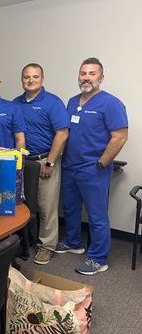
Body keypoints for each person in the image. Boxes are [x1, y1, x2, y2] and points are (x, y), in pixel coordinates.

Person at [56, 57, 128, 275]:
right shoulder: (71, 101)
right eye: (83, 73)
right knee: (70, 208)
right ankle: (74, 242)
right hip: (69, 166)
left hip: (93, 169)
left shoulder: (111, 103)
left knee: (97, 216)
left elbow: (120, 137)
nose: (86, 78)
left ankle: (98, 258)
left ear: (101, 78)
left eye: (92, 73)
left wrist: (101, 163)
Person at [13, 63, 70, 265]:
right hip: (22, 162)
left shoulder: (53, 102)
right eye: (27, 77)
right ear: (22, 80)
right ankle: (26, 241)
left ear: (42, 80)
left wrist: (50, 162)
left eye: (35, 77)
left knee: (46, 206)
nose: (31, 80)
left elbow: (62, 134)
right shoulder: (15, 103)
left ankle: (47, 246)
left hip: (44, 160)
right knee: (24, 204)